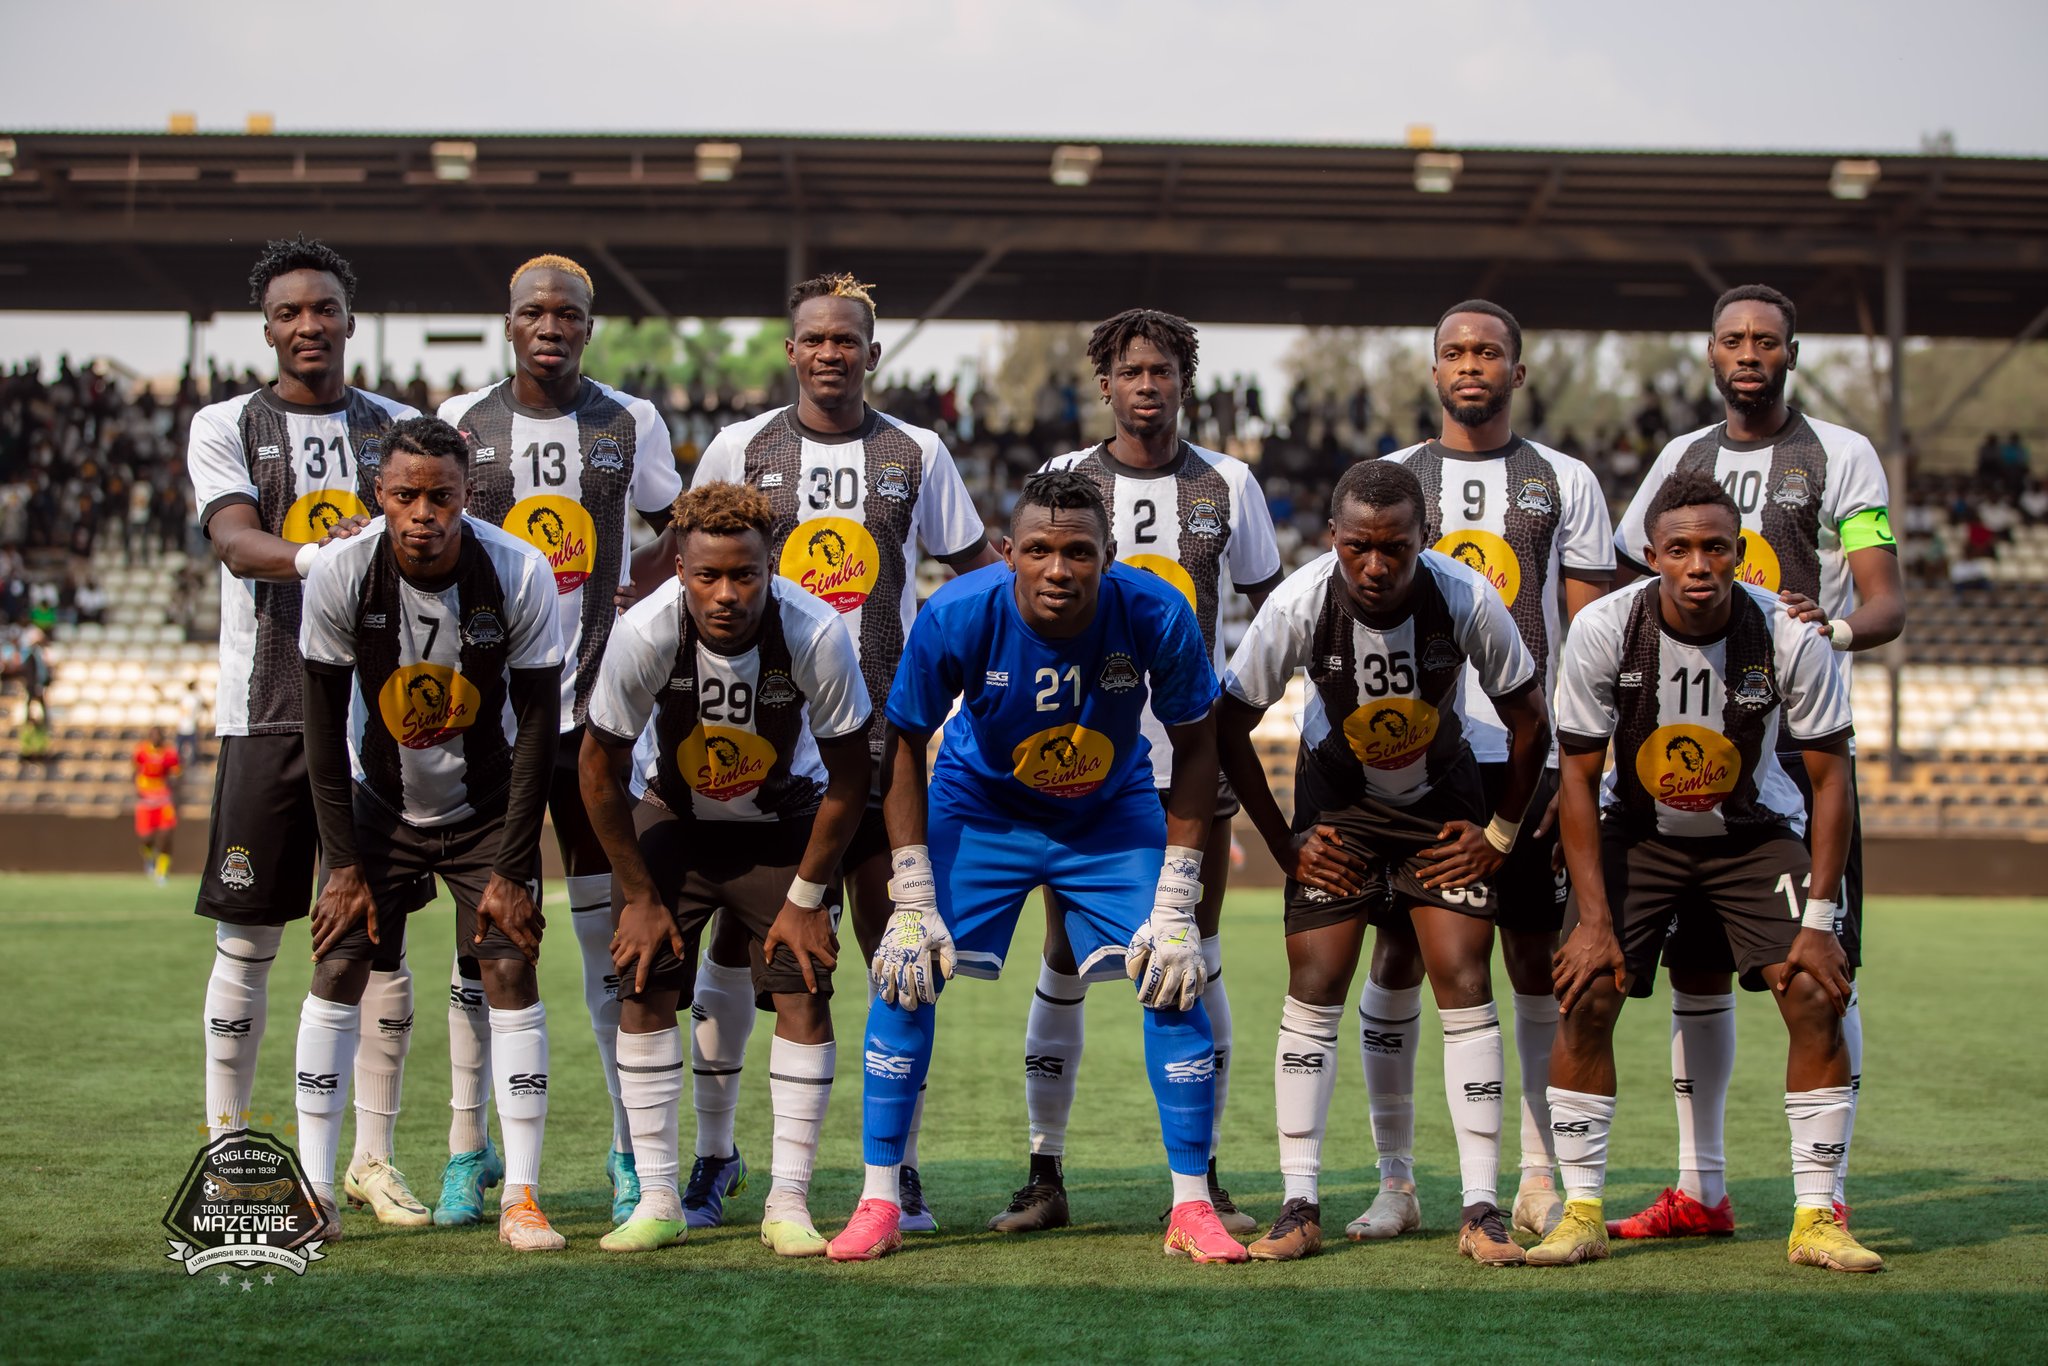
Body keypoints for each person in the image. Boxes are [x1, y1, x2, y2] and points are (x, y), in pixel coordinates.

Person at [826, 470, 1244, 1265]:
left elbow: (1198, 746)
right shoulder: (956, 611)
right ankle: (880, 1197)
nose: (1060, 569)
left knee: (1172, 967)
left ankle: (1193, 1206)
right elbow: (905, 743)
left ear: (1109, 554)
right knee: (903, 967)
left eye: (1080, 552)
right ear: (1009, 553)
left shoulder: (1156, 610)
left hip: (1107, 811)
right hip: (982, 808)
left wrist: (1178, 895)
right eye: (1042, 551)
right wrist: (912, 891)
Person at [684, 273, 998, 1232]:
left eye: (847, 340)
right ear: (792, 350)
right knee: (739, 943)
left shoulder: (918, 452)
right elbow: (695, 561)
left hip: (883, 746)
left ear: (873, 351)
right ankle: (714, 1157)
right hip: (761, 750)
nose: (830, 353)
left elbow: (976, 572)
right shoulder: (742, 446)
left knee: (895, 950)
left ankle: (894, 1167)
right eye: (814, 339)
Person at [1608, 284, 1902, 1239]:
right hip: (1689, 757)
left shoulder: (1841, 454)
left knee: (1823, 968)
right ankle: (1703, 1189)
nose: (1748, 354)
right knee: (1695, 976)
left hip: (1797, 752)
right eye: (1732, 340)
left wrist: (1840, 631)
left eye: (1765, 341)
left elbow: (1885, 599)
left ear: (1791, 353)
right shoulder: (1679, 459)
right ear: (1709, 354)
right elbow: (1630, 583)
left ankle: (1829, 1196)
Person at [1533, 471, 1877, 1273]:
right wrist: (1592, 921)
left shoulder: (1788, 636)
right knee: (1584, 989)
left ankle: (1816, 1217)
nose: (1697, 565)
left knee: (1815, 990)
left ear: (1739, 555)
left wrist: (1823, 922)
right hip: (1640, 833)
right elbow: (1578, 780)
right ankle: (1580, 1209)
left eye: (1715, 548)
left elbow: (1832, 781)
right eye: (1679, 549)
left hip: (1755, 835)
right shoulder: (1606, 629)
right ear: (1651, 556)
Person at [1216, 459, 1550, 1265]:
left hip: (1444, 805)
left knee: (1465, 978)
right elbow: (1229, 723)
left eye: (1394, 549)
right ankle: (1300, 1202)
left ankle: (1481, 1207)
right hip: (1341, 812)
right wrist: (1283, 841)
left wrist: (1499, 834)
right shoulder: (1299, 603)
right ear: (1333, 538)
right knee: (1317, 981)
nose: (1375, 566)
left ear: (1422, 540)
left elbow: (1530, 719)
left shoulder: (1466, 596)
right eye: (1358, 547)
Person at [995, 309, 1282, 1235]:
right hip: (1081, 757)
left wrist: (1236, 706)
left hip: (1190, 755)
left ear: (1184, 381)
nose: (1147, 384)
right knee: (1066, 952)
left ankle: (1203, 1174)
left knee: (1194, 957)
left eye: (1163, 369)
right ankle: (1045, 1173)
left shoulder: (1229, 482)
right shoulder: (1069, 484)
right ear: (1105, 383)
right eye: (1131, 370)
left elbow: (1271, 611)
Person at [183, 237, 432, 1230]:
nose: (308, 325)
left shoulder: (393, 430)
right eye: (289, 311)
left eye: (323, 308)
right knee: (248, 941)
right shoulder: (227, 422)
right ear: (269, 325)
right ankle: (229, 1151)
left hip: (383, 725)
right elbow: (235, 539)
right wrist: (326, 558)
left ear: (349, 319)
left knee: (380, 940)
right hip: (269, 709)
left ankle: (371, 1157)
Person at [438, 255, 682, 1228]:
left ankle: (627, 1152)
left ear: (589, 325)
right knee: (483, 942)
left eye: (568, 312)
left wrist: (636, 581)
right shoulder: (464, 417)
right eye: (534, 311)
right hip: (489, 724)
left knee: (605, 943)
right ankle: (468, 1149)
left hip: (595, 721)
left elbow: (678, 525)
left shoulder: (631, 421)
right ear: (508, 322)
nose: (551, 324)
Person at [1373, 301, 1614, 1241]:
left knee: (1530, 960)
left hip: (1522, 756)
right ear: (1434, 371)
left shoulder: (1566, 479)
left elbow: (1588, 633)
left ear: (1519, 371)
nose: (1471, 366)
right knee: (1398, 955)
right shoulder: (1395, 478)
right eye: (1454, 353)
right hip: (1417, 762)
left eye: (1490, 353)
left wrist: (1565, 762)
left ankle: (1539, 1174)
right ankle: (1397, 1182)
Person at [579, 482, 872, 1256]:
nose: (727, 593)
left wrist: (809, 896)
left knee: (804, 984)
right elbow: (597, 770)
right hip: (674, 822)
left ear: (771, 566)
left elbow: (850, 779)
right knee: (642, 979)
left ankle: (787, 1202)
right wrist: (639, 895)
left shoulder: (816, 633)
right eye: (708, 575)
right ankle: (659, 1197)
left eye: (745, 574)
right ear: (679, 568)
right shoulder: (644, 634)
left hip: (783, 830)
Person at [296, 416, 566, 1249]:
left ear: (467, 497)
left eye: (440, 497)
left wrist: (514, 868)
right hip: (381, 804)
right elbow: (318, 726)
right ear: (379, 497)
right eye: (405, 495)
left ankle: (520, 1195)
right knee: (340, 955)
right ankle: (313, 1193)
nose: (423, 513)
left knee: (508, 964)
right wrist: (341, 865)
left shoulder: (518, 571)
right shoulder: (342, 571)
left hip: (484, 809)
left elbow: (539, 729)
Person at [133, 724, 182, 884]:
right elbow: (135, 771)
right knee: (145, 838)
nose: (156, 738)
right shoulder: (141, 751)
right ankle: (149, 858)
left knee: (166, 835)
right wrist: (137, 788)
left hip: (163, 800)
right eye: (153, 735)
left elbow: (176, 775)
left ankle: (162, 872)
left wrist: (174, 795)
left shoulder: (169, 754)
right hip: (146, 801)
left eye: (158, 735)